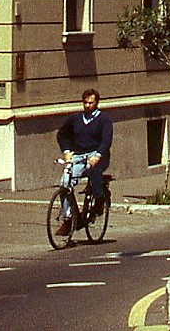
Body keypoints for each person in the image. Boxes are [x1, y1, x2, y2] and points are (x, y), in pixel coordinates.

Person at [55, 88, 113, 235]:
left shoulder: (104, 120)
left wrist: (98, 155)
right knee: (65, 182)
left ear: (97, 103)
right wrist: (67, 151)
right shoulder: (75, 119)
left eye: (91, 103)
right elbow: (62, 135)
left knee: (94, 171)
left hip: (97, 154)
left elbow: (106, 140)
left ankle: (99, 200)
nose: (87, 106)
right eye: (85, 103)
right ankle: (69, 218)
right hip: (79, 154)